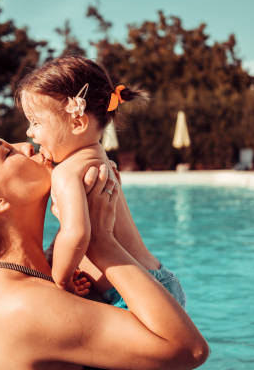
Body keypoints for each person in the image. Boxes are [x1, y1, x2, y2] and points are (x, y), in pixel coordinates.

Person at [0, 134, 208, 369]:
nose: (27, 145)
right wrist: (102, 241)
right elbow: (189, 350)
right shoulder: (18, 305)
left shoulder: (40, 270)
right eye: (7, 152)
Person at [16, 56, 185, 308]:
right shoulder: (101, 160)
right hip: (158, 280)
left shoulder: (67, 173)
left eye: (37, 122)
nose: (30, 133)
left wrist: (61, 280)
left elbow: (77, 233)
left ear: (77, 122)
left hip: (129, 295)